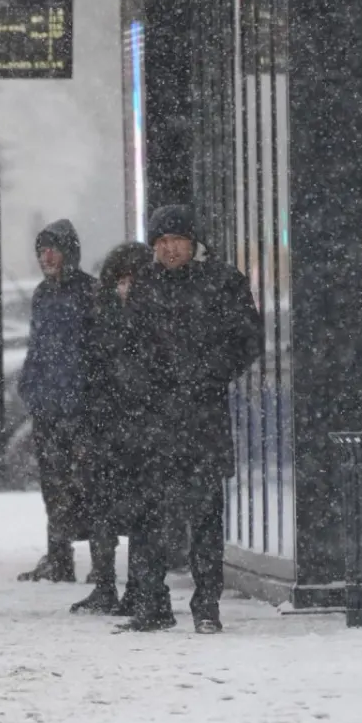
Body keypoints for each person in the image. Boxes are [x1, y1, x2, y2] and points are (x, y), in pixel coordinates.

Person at [120, 205, 261, 634]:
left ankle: (206, 605)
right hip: (155, 421)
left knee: (203, 515)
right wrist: (144, 384)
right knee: (150, 515)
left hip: (203, 419)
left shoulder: (222, 283)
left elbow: (247, 339)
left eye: (176, 240)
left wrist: (208, 373)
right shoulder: (144, 287)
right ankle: (149, 602)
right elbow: (126, 349)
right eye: (160, 242)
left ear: (193, 242)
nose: (169, 249)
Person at [76, 240, 156, 615]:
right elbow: (90, 372)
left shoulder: (151, 320)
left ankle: (138, 589)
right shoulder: (101, 317)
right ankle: (105, 584)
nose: (125, 288)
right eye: (120, 281)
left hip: (139, 428)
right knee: (101, 510)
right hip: (104, 426)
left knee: (141, 512)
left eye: (132, 280)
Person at [16, 220, 97, 584]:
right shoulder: (42, 294)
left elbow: (96, 352)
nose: (46, 257)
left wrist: (88, 396)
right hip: (47, 406)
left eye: (53, 249)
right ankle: (59, 556)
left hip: (80, 409)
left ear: (70, 252)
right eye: (41, 250)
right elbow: (38, 347)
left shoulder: (90, 293)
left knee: (89, 485)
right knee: (53, 484)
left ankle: (101, 561)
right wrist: (30, 387)